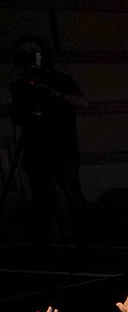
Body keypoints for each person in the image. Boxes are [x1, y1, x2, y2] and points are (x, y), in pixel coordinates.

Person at [8, 34, 89, 241]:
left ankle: (85, 236)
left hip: (62, 146)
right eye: (24, 53)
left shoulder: (60, 80)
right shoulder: (20, 86)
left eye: (33, 52)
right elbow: (18, 117)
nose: (29, 57)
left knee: (71, 192)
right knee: (43, 197)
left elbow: (83, 103)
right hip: (35, 149)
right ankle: (49, 239)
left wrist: (54, 94)